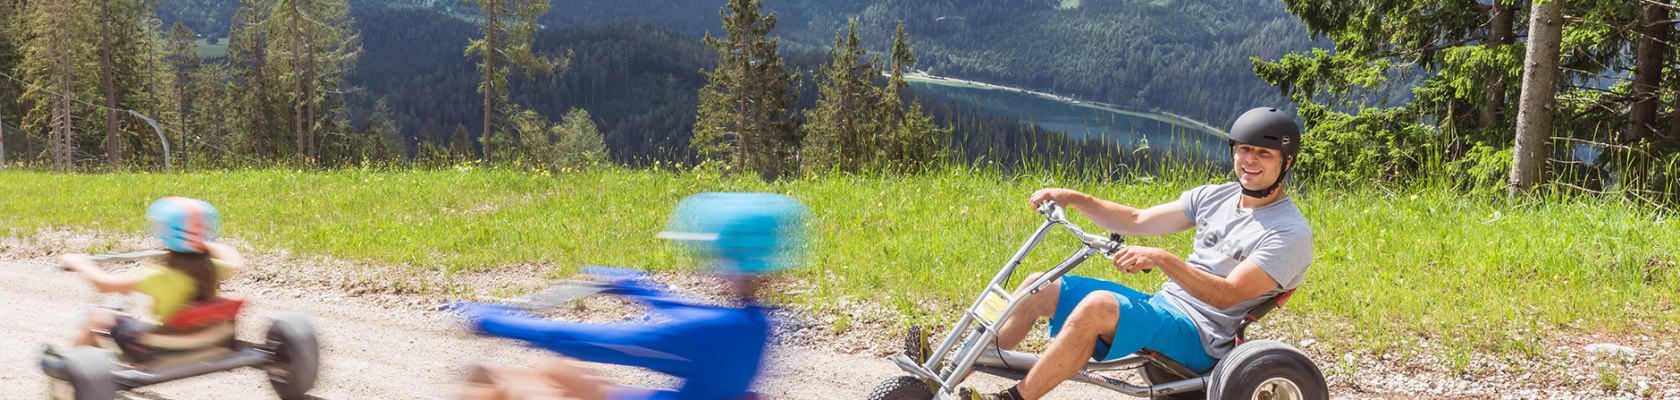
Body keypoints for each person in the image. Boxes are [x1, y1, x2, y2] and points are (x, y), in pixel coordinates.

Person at [961, 107, 1314, 400]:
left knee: (1098, 305)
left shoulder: (1289, 232)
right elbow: (1135, 219)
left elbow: (1227, 295)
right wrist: (1072, 197)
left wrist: (1162, 258)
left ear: (1286, 163)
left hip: (1201, 337)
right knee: (1039, 285)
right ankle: (954, 370)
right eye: (1243, 150)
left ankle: (1012, 399)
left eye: (1263, 154)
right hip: (1163, 308)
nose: (1250, 160)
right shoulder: (1215, 196)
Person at [454, 192, 807, 400]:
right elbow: (686, 314)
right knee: (564, 374)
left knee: (513, 381)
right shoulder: (755, 324)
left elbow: (588, 341)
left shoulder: (717, 331)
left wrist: (496, 321)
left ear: (734, 258)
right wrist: (637, 286)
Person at [61, 197, 245, 357]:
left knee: (100, 316)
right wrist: (202, 243)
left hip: (160, 348)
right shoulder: (213, 267)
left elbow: (104, 285)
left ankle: (69, 367)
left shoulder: (159, 276)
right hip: (205, 339)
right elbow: (235, 259)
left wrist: (80, 263)